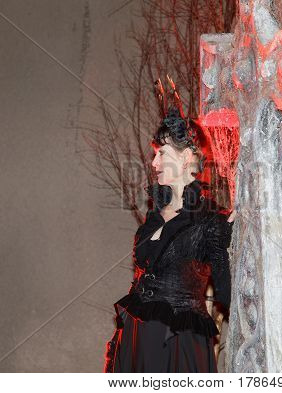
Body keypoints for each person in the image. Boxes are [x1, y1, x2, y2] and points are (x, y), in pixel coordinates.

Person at [103, 99, 235, 372]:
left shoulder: (211, 220)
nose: (153, 162)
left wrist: (240, 232)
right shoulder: (154, 216)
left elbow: (227, 292)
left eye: (161, 153)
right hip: (137, 339)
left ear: (186, 157)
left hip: (178, 345)